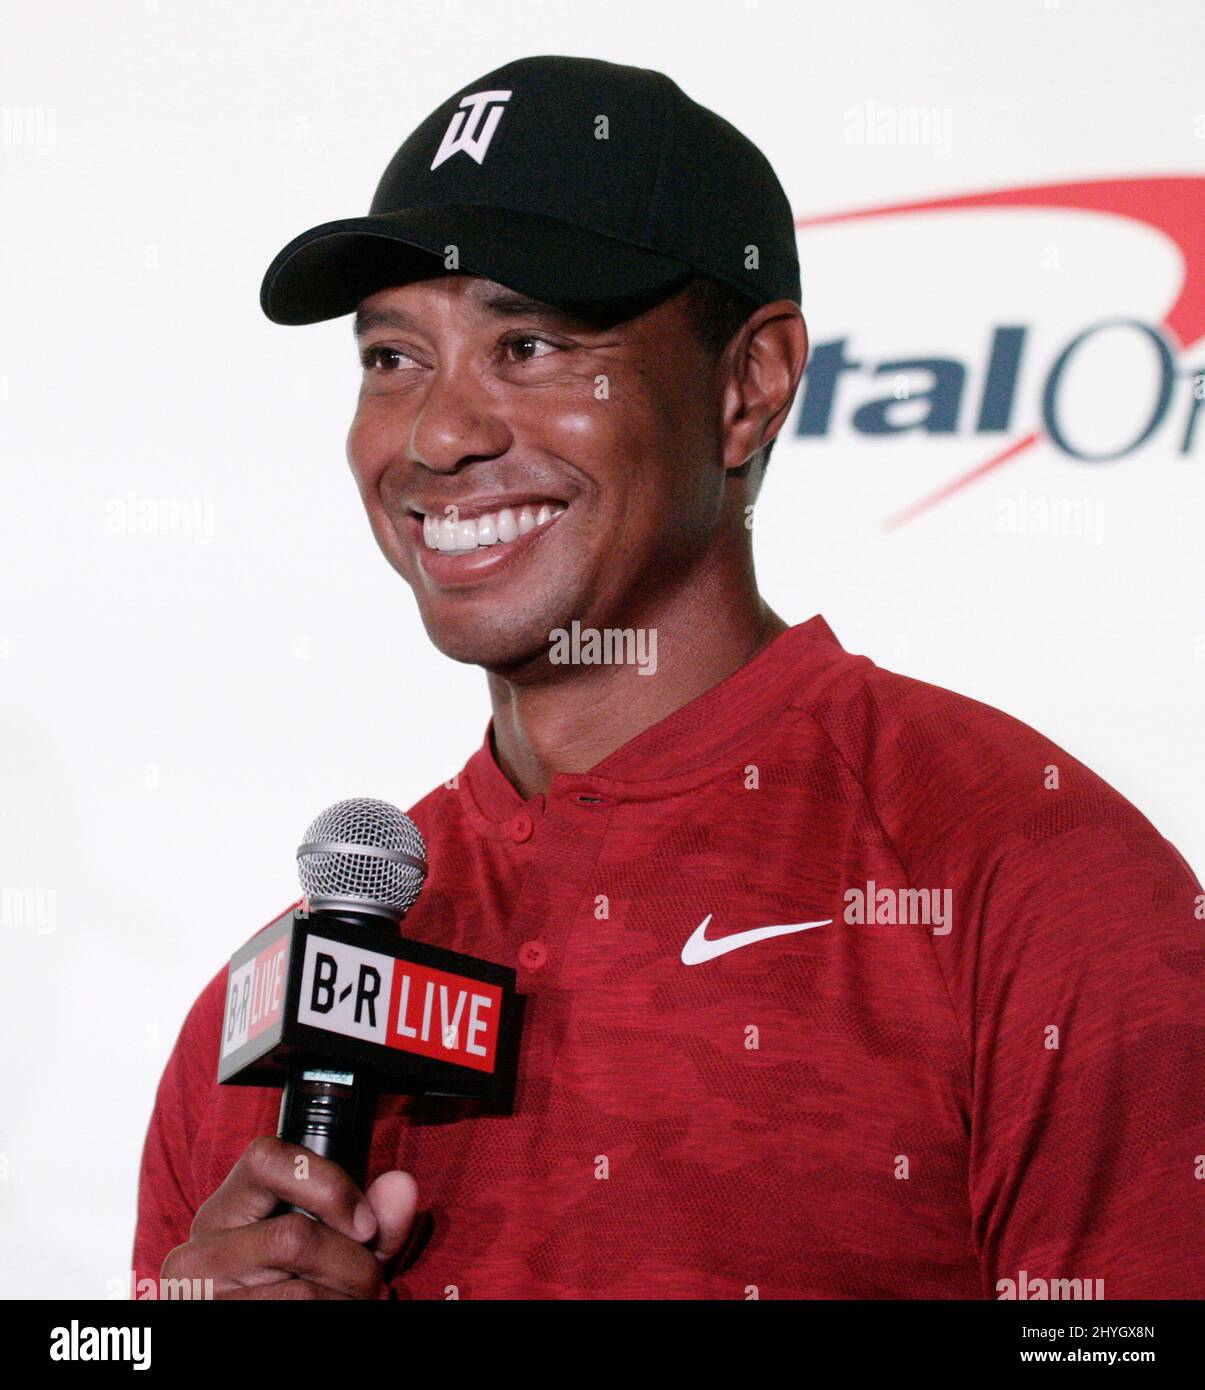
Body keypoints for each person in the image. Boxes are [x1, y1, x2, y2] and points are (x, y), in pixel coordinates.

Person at [134, 54, 1204, 1300]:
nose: (435, 434)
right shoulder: (261, 1012)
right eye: (390, 358)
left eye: (526, 344)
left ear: (748, 387)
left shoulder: (1028, 876)